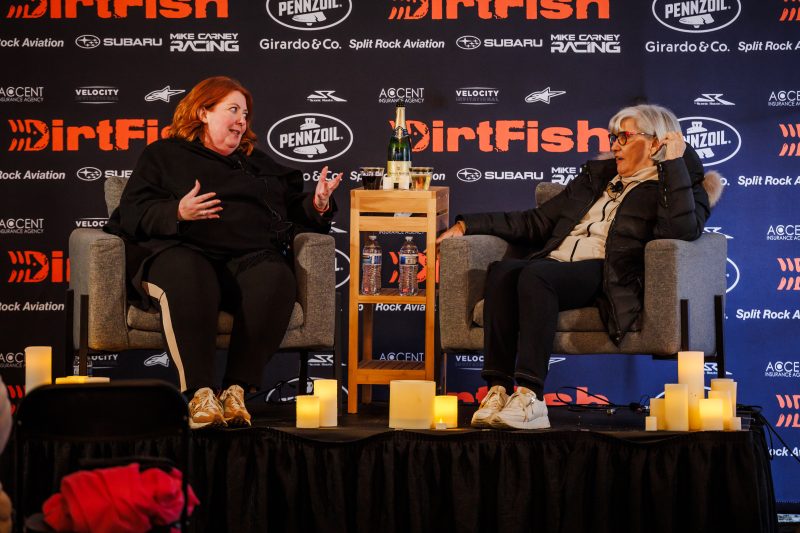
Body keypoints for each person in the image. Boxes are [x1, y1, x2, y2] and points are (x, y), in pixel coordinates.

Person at [437, 104, 720, 430]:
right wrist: (467, 225)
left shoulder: (681, 186)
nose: (614, 146)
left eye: (624, 137)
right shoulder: (596, 178)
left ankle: (531, 397)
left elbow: (680, 230)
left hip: (609, 272)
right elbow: (536, 221)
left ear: (656, 142)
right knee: (503, 272)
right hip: (556, 266)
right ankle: (498, 390)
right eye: (613, 137)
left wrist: (673, 164)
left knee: (536, 274)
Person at [105, 76, 342, 429]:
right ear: (203, 112)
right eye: (232, 110)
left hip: (243, 257)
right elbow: (132, 211)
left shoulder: (254, 163)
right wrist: (177, 212)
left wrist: (319, 203)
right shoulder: (164, 155)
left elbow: (291, 209)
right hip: (180, 251)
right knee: (190, 273)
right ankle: (199, 394)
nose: (241, 121)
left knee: (275, 276)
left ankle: (235, 391)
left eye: (245, 114)